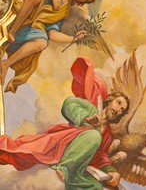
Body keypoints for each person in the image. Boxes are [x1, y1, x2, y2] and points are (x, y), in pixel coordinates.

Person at [0, 57, 128, 190]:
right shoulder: (91, 108)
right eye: (118, 103)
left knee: (95, 186)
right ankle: (64, 168)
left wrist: (111, 171)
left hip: (78, 168)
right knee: (94, 135)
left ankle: (71, 175)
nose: (118, 109)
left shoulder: (107, 135)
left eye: (122, 110)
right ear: (110, 100)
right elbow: (69, 104)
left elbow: (99, 156)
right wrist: (86, 118)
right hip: (62, 148)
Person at [0, 0, 98, 92]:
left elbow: (52, 34)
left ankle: (6, 63)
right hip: (27, 1)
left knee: (42, 42)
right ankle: (12, 32)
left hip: (33, 23)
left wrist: (74, 38)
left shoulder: (65, 11)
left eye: (88, 0)